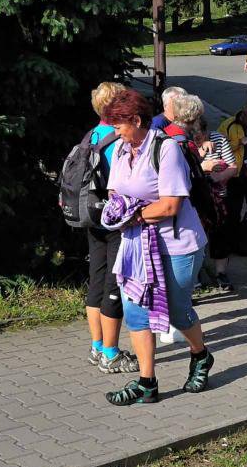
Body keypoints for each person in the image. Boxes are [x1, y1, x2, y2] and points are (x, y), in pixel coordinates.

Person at [102, 90, 215, 405]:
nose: (116, 132)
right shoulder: (121, 150)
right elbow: (114, 192)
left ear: (137, 121)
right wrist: (119, 210)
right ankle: (146, 383)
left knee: (178, 310)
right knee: (135, 312)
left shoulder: (166, 149)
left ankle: (201, 355)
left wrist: (133, 215)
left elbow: (170, 206)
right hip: (136, 244)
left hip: (177, 244)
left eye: (119, 126)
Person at [84, 82, 138, 374]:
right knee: (113, 284)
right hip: (114, 217)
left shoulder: (92, 134)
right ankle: (111, 353)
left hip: (91, 216)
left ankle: (96, 346)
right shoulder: (117, 139)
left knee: (97, 278)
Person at [194, 116, 237, 292]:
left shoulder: (218, 139)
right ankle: (195, 275)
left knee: (220, 234)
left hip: (218, 195)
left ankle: (221, 273)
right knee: (196, 236)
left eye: (199, 132)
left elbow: (233, 167)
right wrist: (203, 164)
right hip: (196, 197)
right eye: (192, 132)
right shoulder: (185, 142)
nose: (196, 135)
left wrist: (217, 177)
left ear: (206, 130)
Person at [218, 100, 247, 256]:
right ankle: (230, 244)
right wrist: (239, 142)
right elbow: (218, 147)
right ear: (243, 114)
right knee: (232, 211)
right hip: (234, 176)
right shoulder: (229, 125)